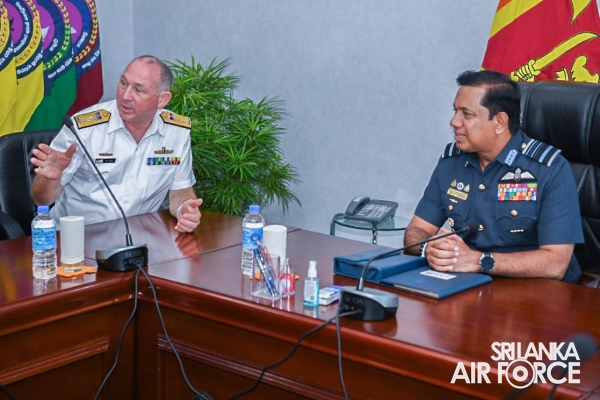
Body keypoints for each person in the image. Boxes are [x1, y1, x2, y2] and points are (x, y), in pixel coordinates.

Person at [403, 70, 584, 283]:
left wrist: (479, 261)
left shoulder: (549, 169)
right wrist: (429, 248)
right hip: (468, 285)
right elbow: (416, 230)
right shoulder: (451, 163)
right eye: (455, 111)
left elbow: (556, 264)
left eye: (466, 114)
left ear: (499, 122)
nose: (454, 121)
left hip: (536, 292)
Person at [30, 55, 202, 233]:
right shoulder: (82, 129)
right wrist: (50, 179)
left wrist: (184, 210)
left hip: (140, 237)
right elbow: (41, 200)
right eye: (123, 83)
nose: (125, 96)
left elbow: (180, 191)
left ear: (162, 99)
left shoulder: (176, 132)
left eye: (138, 90)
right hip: (79, 237)